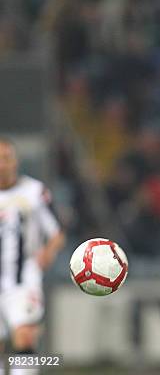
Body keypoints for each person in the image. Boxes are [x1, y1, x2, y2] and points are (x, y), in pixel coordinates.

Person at [0, 138, 65, 375]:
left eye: (6, 158)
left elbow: (57, 233)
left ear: (15, 161)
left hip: (23, 277)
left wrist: (48, 251)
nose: (2, 165)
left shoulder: (34, 192)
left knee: (25, 336)